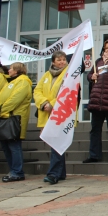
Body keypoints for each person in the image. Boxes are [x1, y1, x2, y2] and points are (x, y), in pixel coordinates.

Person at [0, 62, 32, 182]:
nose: (8, 70)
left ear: (17, 70)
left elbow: (15, 100)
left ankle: (17, 172)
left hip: (14, 118)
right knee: (5, 146)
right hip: (4, 117)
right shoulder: (10, 82)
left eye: (11, 68)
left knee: (14, 146)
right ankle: (12, 170)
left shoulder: (23, 82)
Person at [34, 51, 69, 184]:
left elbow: (67, 91)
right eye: (59, 60)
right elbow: (37, 91)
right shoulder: (47, 75)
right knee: (55, 143)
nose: (62, 62)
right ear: (53, 62)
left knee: (56, 143)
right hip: (46, 113)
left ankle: (53, 173)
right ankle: (60, 173)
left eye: (64, 59)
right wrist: (44, 103)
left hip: (61, 114)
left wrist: (53, 104)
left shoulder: (69, 74)